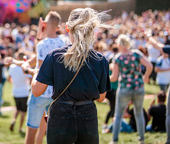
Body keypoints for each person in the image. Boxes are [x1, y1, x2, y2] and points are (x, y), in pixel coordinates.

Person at [32, 8, 111, 144]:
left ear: (67, 28)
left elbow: (37, 91)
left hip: (60, 117)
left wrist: (36, 72)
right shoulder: (100, 60)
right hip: (87, 117)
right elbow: (101, 98)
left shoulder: (54, 56)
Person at [25, 11, 65, 144]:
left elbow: (41, 72)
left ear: (44, 24)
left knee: (32, 130)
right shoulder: (64, 42)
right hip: (56, 94)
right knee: (51, 132)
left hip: (41, 93)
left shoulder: (42, 44)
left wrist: (28, 70)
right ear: (58, 27)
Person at [110, 34, 153, 144]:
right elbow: (149, 66)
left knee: (118, 115)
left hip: (124, 88)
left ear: (119, 44)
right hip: (139, 87)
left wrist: (105, 78)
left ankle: (114, 140)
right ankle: (141, 140)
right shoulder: (136, 54)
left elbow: (114, 78)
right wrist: (145, 77)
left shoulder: (118, 57)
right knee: (139, 114)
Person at [8, 51, 30, 133]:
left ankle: (13, 121)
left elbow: (9, 79)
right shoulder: (25, 67)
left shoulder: (12, 67)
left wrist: (15, 83)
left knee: (17, 108)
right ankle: (20, 128)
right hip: (24, 92)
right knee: (23, 111)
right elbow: (30, 79)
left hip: (15, 92)